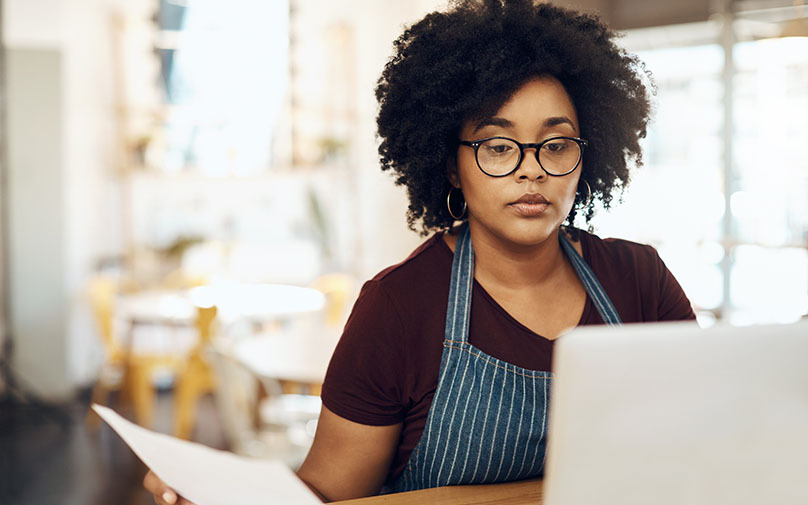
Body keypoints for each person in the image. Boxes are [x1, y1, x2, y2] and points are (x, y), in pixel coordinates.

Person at [144, 0, 696, 503]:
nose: (532, 168)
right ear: (450, 162)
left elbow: (700, 445)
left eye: (556, 145)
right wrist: (216, 490)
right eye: (498, 147)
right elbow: (329, 494)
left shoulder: (639, 278)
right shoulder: (399, 306)